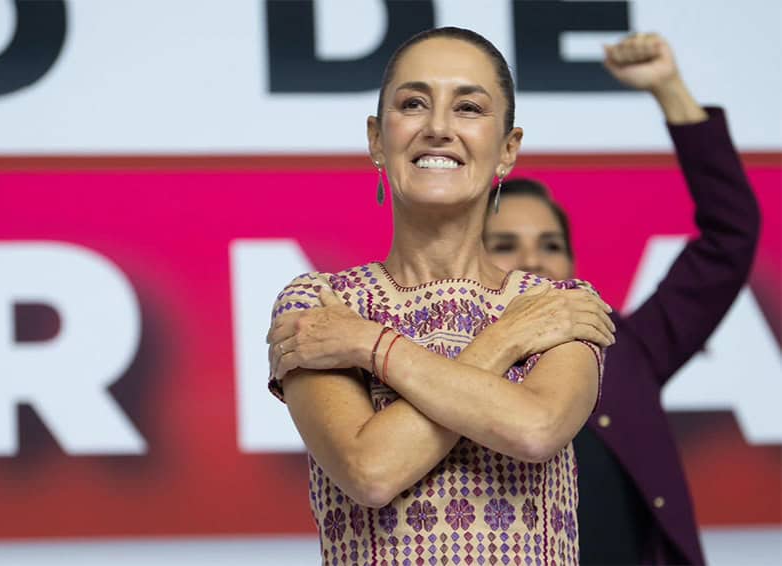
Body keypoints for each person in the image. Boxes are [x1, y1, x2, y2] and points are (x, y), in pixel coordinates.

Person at [266, 27, 616, 565]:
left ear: (507, 150)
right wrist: (507, 341)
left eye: (469, 108)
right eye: (413, 104)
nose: (438, 128)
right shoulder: (320, 305)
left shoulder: (558, 304)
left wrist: (368, 346)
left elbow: (534, 429)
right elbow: (371, 471)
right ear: (377, 139)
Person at [483, 34, 761, 565]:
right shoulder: (446, 365)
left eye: (550, 245)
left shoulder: (626, 349)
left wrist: (668, 89)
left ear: (571, 265)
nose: (533, 261)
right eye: (504, 246)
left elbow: (731, 236)